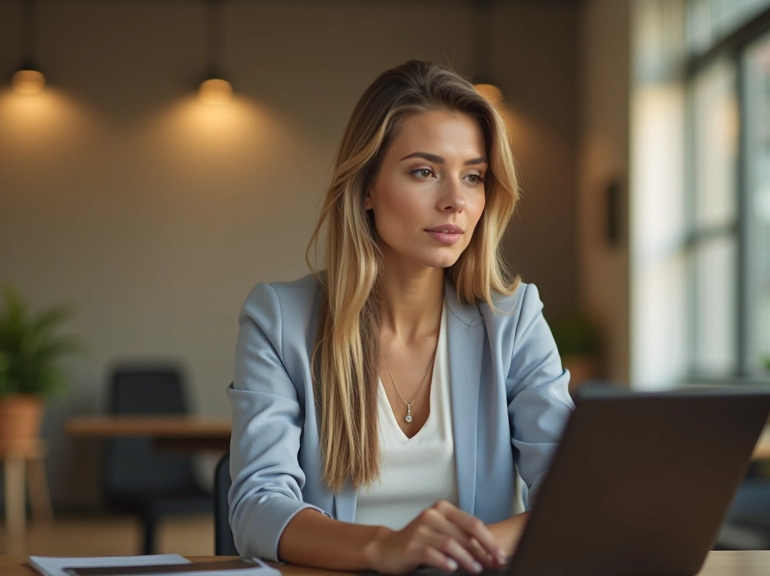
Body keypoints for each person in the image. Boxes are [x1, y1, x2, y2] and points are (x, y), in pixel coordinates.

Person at [227, 60, 573, 575]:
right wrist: (383, 548)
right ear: (367, 187)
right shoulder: (280, 320)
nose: (456, 201)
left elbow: (573, 498)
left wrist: (454, 553)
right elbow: (256, 506)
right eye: (424, 172)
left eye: (473, 176)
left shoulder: (514, 319)